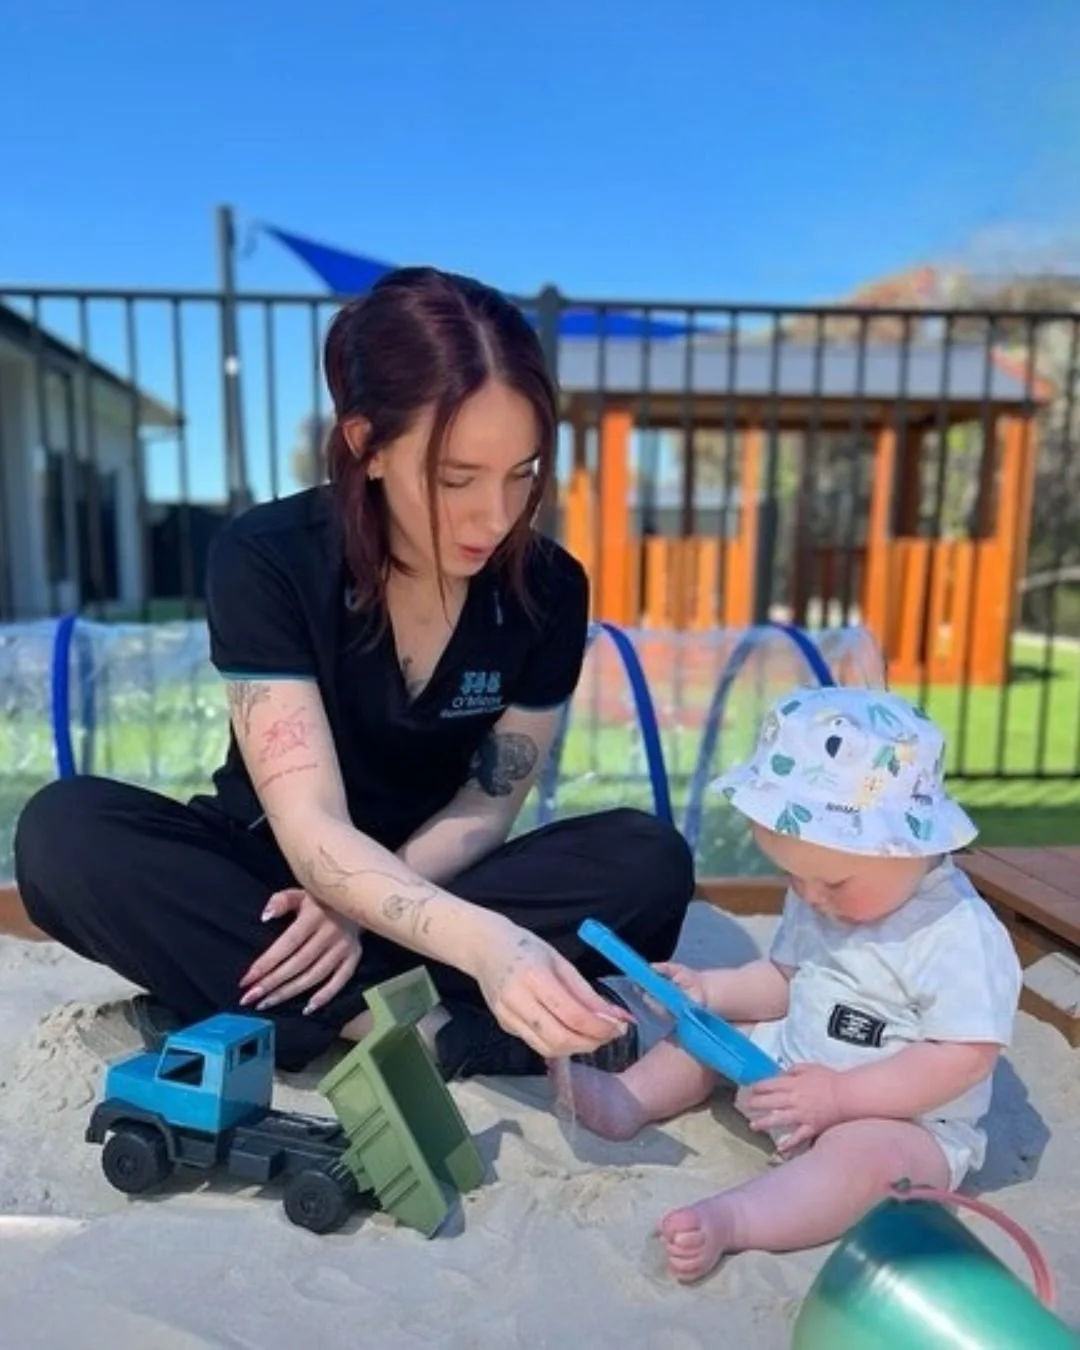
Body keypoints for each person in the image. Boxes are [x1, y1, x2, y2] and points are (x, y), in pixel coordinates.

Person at [12, 266, 695, 1077]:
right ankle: (421, 1027)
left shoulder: (549, 586)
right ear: (367, 447)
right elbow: (309, 828)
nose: (497, 516)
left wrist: (369, 908)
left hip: (440, 873)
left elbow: (488, 802)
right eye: (456, 478)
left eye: (524, 474)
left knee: (648, 859)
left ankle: (307, 1007)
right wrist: (483, 945)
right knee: (65, 834)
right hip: (274, 875)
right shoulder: (269, 558)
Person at [552, 685, 1023, 1284]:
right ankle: (631, 1098)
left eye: (832, 882)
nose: (810, 897)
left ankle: (736, 1219)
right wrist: (709, 991)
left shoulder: (956, 934)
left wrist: (841, 1101)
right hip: (792, 1065)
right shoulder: (821, 892)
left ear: (911, 846)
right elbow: (782, 982)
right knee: (712, 1032)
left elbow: (963, 1058)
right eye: (791, 876)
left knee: (863, 1161)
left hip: (903, 1119)